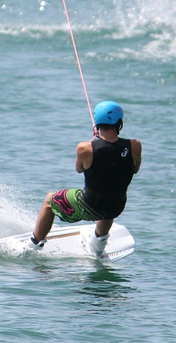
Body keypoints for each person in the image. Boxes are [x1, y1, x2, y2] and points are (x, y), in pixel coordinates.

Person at [28, 100, 142, 256]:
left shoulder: (84, 148)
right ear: (119, 123)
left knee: (50, 200)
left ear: (97, 123)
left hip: (89, 205)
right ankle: (99, 244)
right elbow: (135, 169)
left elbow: (79, 168)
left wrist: (93, 144)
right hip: (116, 206)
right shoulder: (135, 146)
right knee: (111, 194)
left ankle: (33, 245)